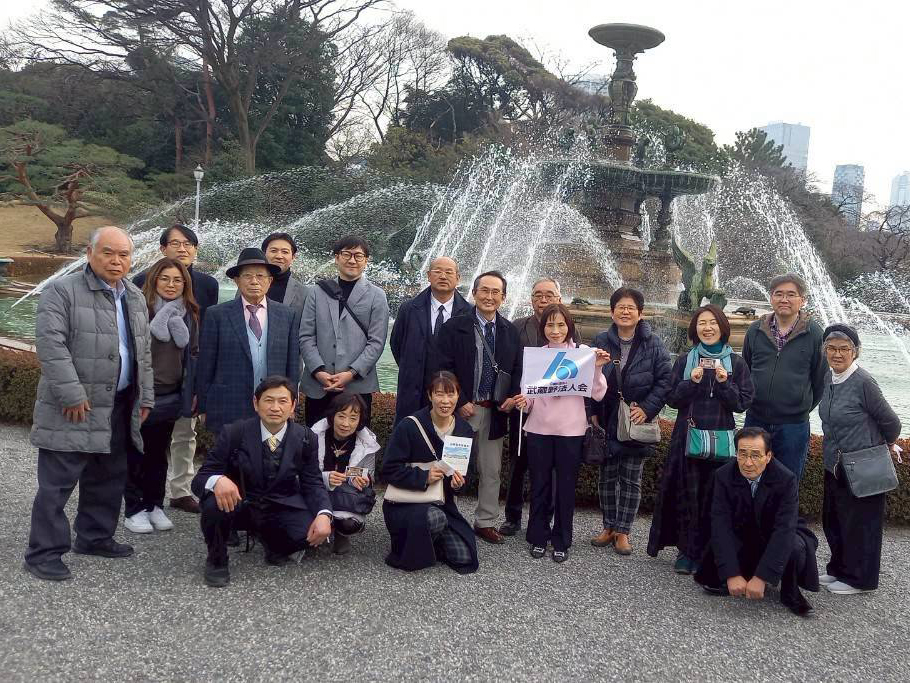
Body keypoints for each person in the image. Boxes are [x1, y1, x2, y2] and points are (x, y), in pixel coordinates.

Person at [24, 226, 154, 582]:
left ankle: (95, 537)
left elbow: (143, 351)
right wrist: (71, 393)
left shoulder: (134, 295)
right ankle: (43, 552)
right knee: (58, 482)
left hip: (120, 403)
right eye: (108, 252)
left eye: (124, 255)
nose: (116, 261)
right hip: (74, 404)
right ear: (90, 253)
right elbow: (51, 345)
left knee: (108, 475)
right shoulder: (61, 291)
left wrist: (145, 395)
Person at [192, 376, 333, 587]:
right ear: (256, 403)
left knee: (308, 533)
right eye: (268, 400)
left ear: (292, 406)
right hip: (240, 504)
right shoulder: (234, 433)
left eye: (282, 401)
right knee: (214, 504)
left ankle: (270, 541)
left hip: (280, 504)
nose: (275, 407)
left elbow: (312, 482)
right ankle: (217, 559)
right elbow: (199, 479)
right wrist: (217, 480)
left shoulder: (306, 438)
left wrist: (324, 514)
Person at [647, 305, 754, 573]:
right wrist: (691, 383)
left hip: (720, 436)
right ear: (695, 328)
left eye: (713, 323)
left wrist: (724, 383)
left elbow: (742, 403)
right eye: (702, 323)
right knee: (687, 493)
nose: (707, 328)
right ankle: (686, 551)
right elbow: (671, 399)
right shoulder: (685, 360)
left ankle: (709, 552)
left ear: (722, 327)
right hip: (687, 435)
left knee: (715, 496)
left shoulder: (736, 363)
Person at [133, 223, 219, 515]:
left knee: (185, 434)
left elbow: (205, 335)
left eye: (189, 244)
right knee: (145, 441)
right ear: (162, 248)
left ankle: (180, 490)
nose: (183, 249)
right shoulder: (142, 281)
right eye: (175, 243)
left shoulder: (208, 285)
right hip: (151, 379)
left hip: (187, 375)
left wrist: (200, 383)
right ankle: (139, 495)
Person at [514, 304, 609, 562]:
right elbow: (529, 395)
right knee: (539, 485)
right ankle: (538, 536)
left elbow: (598, 393)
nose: (555, 330)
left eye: (560, 325)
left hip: (571, 431)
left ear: (569, 326)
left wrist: (597, 367)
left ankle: (561, 540)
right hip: (539, 430)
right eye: (549, 325)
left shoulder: (582, 353)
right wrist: (523, 401)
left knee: (566, 488)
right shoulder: (536, 356)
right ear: (542, 327)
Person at [434, 270, 523, 545]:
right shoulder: (455, 326)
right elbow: (441, 367)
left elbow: (517, 370)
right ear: (474, 293)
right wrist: (459, 401)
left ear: (503, 297)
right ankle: (443, 515)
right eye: (484, 290)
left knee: (491, 470)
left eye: (496, 292)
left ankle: (485, 521)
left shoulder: (510, 331)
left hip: (494, 412)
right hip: (463, 410)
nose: (489, 296)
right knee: (451, 465)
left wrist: (512, 397)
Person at [694, 427, 820, 617]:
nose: (748, 462)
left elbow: (784, 530)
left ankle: (790, 592)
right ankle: (735, 577)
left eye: (755, 455)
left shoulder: (786, 479)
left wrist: (762, 577)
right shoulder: (723, 475)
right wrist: (731, 574)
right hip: (742, 529)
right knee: (720, 536)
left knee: (794, 546)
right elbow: (720, 525)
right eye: (742, 454)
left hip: (777, 531)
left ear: (768, 456)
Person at [818, 324, 902, 595]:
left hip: (863, 464)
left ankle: (860, 580)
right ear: (825, 351)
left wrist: (884, 444)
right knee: (835, 519)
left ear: (855, 352)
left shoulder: (864, 382)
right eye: (831, 348)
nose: (837, 354)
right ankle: (838, 569)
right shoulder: (829, 377)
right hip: (835, 463)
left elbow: (891, 422)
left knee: (861, 524)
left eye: (844, 349)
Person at [590, 287, 672, 555]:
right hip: (607, 416)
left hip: (637, 419)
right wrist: (592, 411)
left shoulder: (654, 343)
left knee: (631, 478)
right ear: (611, 312)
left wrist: (647, 409)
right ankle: (608, 527)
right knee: (606, 476)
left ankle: (623, 531)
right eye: (620, 307)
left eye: (630, 308)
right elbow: (589, 377)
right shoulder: (601, 340)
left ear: (640, 313)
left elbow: (665, 380)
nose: (625, 312)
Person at [124, 257, 200, 534]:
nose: (171, 284)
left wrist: (192, 390)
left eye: (177, 280)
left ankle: (154, 504)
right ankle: (134, 508)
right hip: (141, 393)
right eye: (165, 278)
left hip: (171, 393)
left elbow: (194, 353)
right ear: (154, 279)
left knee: (159, 453)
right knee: (136, 452)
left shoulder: (188, 313)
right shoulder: (140, 310)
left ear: (185, 284)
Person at [382, 371, 479, 574]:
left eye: (451, 394)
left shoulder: (464, 431)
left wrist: (458, 484)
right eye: (439, 394)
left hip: (442, 503)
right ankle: (413, 544)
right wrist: (423, 476)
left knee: (464, 558)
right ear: (429, 395)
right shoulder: (410, 426)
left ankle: (431, 542)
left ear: (458, 396)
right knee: (434, 519)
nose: (445, 401)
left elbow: (467, 474)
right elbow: (388, 470)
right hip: (406, 502)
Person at [196, 248, 301, 435]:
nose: (254, 281)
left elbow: (293, 364)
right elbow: (206, 364)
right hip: (228, 404)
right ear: (237, 281)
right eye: (247, 276)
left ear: (270, 280)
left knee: (271, 453)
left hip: (273, 406)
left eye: (260, 276)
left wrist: (291, 403)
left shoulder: (287, 315)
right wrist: (204, 406)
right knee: (230, 452)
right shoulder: (216, 314)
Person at [742, 273, 827, 481]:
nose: (784, 299)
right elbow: (745, 370)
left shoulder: (815, 333)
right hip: (756, 419)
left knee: (787, 481)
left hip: (793, 425)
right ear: (771, 297)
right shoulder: (755, 331)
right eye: (778, 294)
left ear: (802, 300)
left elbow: (820, 380)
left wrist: (799, 406)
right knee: (750, 478)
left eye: (791, 294)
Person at [500, 277, 567, 537]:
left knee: (551, 468)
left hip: (553, 411)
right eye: (538, 295)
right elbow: (507, 366)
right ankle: (512, 516)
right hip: (522, 405)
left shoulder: (567, 327)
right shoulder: (517, 327)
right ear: (531, 299)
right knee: (518, 462)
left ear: (559, 298)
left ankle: (544, 519)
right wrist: (510, 396)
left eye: (549, 294)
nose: (543, 299)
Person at [299, 235, 390, 428]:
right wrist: (319, 371)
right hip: (319, 385)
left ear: (366, 260)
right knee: (315, 440)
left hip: (357, 386)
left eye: (358, 255)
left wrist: (351, 373)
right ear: (336, 258)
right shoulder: (316, 292)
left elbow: (376, 342)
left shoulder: (377, 296)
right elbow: (306, 336)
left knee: (356, 441)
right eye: (346, 254)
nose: (352, 260)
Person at [390, 256, 470, 425]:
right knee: (409, 437)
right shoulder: (409, 309)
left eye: (449, 272)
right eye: (437, 271)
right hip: (412, 396)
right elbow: (396, 345)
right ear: (428, 275)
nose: (443, 276)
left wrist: (462, 399)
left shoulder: (469, 314)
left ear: (458, 278)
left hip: (452, 400)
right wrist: (413, 372)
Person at [310, 392, 380, 555]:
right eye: (341, 416)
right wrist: (326, 478)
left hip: (345, 497)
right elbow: (303, 473)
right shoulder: (313, 436)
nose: (346, 424)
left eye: (353, 418)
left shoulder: (368, 443)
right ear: (332, 415)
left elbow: (369, 476)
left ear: (360, 420)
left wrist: (360, 480)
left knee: (349, 524)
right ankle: (323, 527)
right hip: (317, 492)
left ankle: (341, 533)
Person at [260, 232, 309, 317]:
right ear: (263, 254)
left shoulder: (304, 293)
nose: (279, 256)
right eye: (273, 251)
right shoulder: (248, 285)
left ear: (293, 257)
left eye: (285, 252)